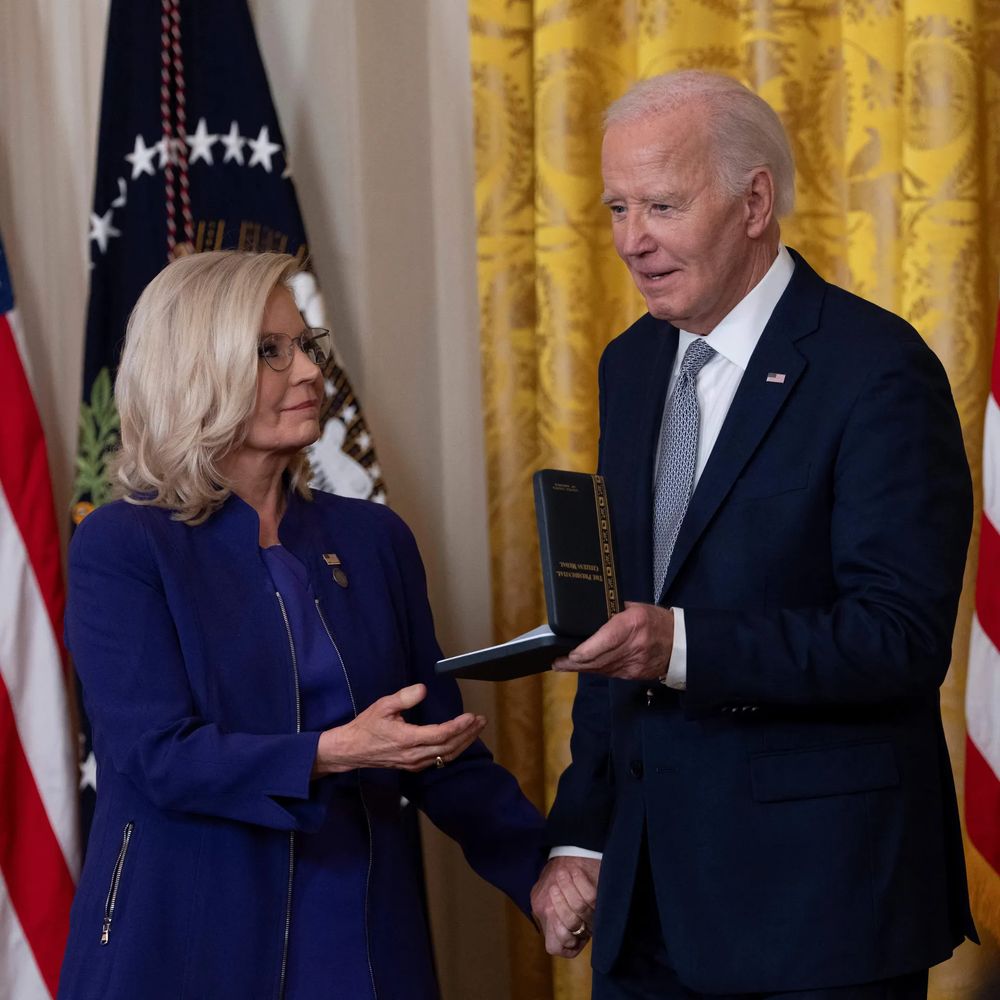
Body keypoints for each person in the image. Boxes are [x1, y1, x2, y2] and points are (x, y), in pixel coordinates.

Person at [530, 70, 976, 999]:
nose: (630, 240)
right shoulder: (630, 364)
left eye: (660, 204)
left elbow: (897, 638)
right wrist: (582, 834)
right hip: (646, 909)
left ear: (754, 202)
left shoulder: (877, 370)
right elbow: (611, 621)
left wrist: (680, 644)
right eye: (617, 206)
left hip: (816, 915)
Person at [58, 250, 547, 1000]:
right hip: (184, 942)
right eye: (268, 352)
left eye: (306, 345)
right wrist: (332, 752)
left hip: (360, 935)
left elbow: (438, 747)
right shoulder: (121, 545)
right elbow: (157, 756)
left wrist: (546, 871)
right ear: (195, 370)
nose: (312, 371)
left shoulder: (374, 540)